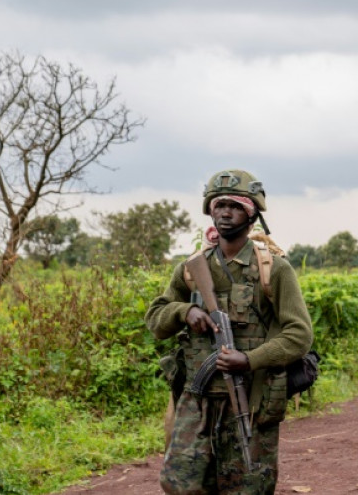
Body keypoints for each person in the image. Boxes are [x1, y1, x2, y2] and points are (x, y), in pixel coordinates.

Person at [145, 169, 314, 495]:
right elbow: (156, 321)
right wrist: (185, 311)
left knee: (247, 487)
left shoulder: (273, 269)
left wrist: (248, 359)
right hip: (198, 401)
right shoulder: (192, 269)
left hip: (250, 400)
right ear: (210, 209)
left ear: (252, 213)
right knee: (180, 483)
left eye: (235, 205)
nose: (225, 212)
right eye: (218, 204)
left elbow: (299, 334)